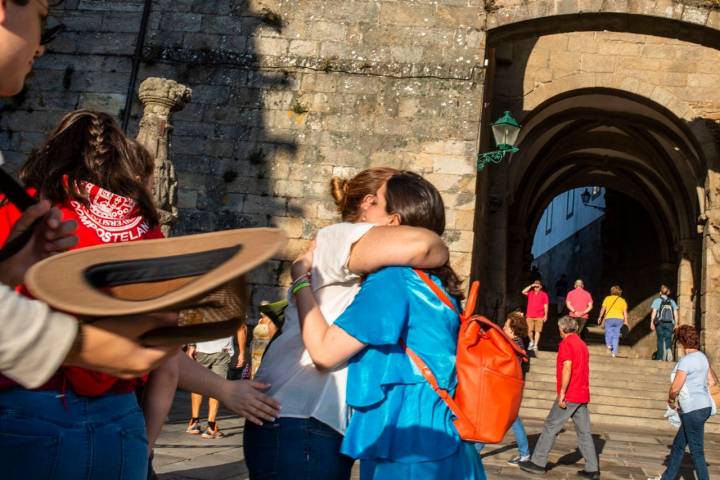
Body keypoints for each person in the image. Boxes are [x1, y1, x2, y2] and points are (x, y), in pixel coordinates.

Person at [0, 0, 177, 391]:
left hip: (32, 397)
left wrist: (7, 272)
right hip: (103, 399)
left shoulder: (27, 202)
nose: (41, 47)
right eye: (42, 17)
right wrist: (86, 347)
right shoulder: (142, 219)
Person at [244, 168, 450, 479]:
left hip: (304, 417)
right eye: (387, 205)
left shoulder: (365, 259)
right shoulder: (342, 236)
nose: (396, 224)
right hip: (298, 414)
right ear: (368, 203)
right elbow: (425, 245)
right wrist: (299, 277)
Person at [294, 171, 485, 479]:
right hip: (442, 437)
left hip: (409, 440)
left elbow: (324, 352)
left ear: (393, 223)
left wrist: (300, 282)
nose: (365, 206)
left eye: (375, 201)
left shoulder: (394, 280)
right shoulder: (438, 286)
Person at [520, 316, 599, 480]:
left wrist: (562, 392)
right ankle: (592, 469)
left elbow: (567, 368)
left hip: (571, 393)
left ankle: (538, 462)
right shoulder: (582, 344)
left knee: (551, 425)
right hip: (582, 393)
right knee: (584, 432)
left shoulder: (567, 343)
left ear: (562, 329)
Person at [647, 325, 717, 480]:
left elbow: (675, 387)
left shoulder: (686, 361)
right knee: (679, 445)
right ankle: (667, 478)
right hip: (704, 406)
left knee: (697, 451)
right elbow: (713, 381)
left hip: (692, 409)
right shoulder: (702, 357)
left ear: (680, 341)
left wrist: (671, 400)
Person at [186, 334, 240, 439]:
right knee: (217, 386)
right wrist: (242, 352)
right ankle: (211, 426)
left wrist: (191, 346)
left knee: (197, 384)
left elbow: (194, 321)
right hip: (222, 349)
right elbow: (242, 328)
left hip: (201, 347)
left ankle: (194, 422)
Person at [503, 311, 531, 466]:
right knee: (513, 419)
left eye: (506, 326)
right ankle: (525, 453)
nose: (503, 327)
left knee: (512, 419)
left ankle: (525, 453)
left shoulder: (515, 344)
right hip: (509, 387)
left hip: (507, 387)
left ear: (513, 329)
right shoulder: (516, 342)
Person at [597, 285, 629, 358]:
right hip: (619, 319)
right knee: (616, 336)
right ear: (619, 292)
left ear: (611, 291)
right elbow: (625, 312)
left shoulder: (607, 298)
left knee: (608, 332)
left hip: (609, 318)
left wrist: (600, 317)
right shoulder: (622, 300)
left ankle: (609, 345)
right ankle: (614, 353)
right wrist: (626, 321)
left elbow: (603, 309)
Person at [650, 285, 678, 362]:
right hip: (670, 323)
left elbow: (654, 312)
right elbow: (675, 313)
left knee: (660, 339)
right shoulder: (672, 301)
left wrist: (652, 323)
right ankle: (668, 349)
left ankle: (660, 358)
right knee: (668, 338)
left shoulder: (657, 301)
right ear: (668, 293)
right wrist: (676, 324)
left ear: (660, 293)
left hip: (660, 323)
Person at [522, 279, 549, 351]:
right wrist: (531, 285)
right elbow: (523, 291)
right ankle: (531, 341)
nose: (536, 288)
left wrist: (545, 315)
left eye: (537, 286)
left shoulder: (544, 294)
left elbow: (546, 305)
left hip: (540, 315)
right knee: (528, 330)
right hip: (529, 315)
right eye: (535, 286)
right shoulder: (530, 293)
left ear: (540, 286)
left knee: (538, 331)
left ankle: (535, 345)